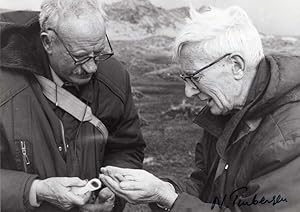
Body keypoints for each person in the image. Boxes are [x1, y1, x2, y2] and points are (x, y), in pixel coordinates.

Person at [99, 5, 300, 212]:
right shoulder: (226, 112)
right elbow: (206, 190)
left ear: (236, 66)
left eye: (195, 77)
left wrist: (168, 198)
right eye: (185, 79)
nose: (188, 92)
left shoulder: (291, 138)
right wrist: (161, 189)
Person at [0, 0, 145, 211]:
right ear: (47, 42)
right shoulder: (5, 87)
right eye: (80, 57)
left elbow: (127, 148)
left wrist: (112, 192)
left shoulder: (114, 77)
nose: (92, 67)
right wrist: (35, 190)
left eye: (99, 53)